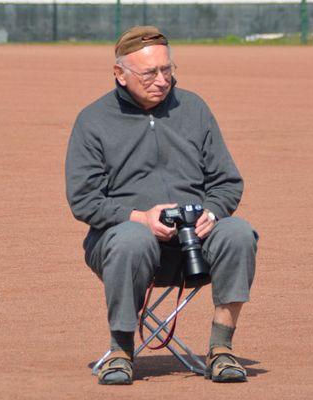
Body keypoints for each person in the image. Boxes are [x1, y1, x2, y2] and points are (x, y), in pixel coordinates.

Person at [65, 26, 258, 385]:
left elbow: (227, 182)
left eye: (167, 70)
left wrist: (211, 212)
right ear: (119, 74)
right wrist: (140, 218)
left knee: (238, 233)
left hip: (193, 245)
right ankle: (120, 352)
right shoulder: (92, 121)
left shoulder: (195, 109)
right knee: (131, 239)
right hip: (123, 245)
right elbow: (84, 199)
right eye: (149, 73)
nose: (161, 80)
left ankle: (221, 349)